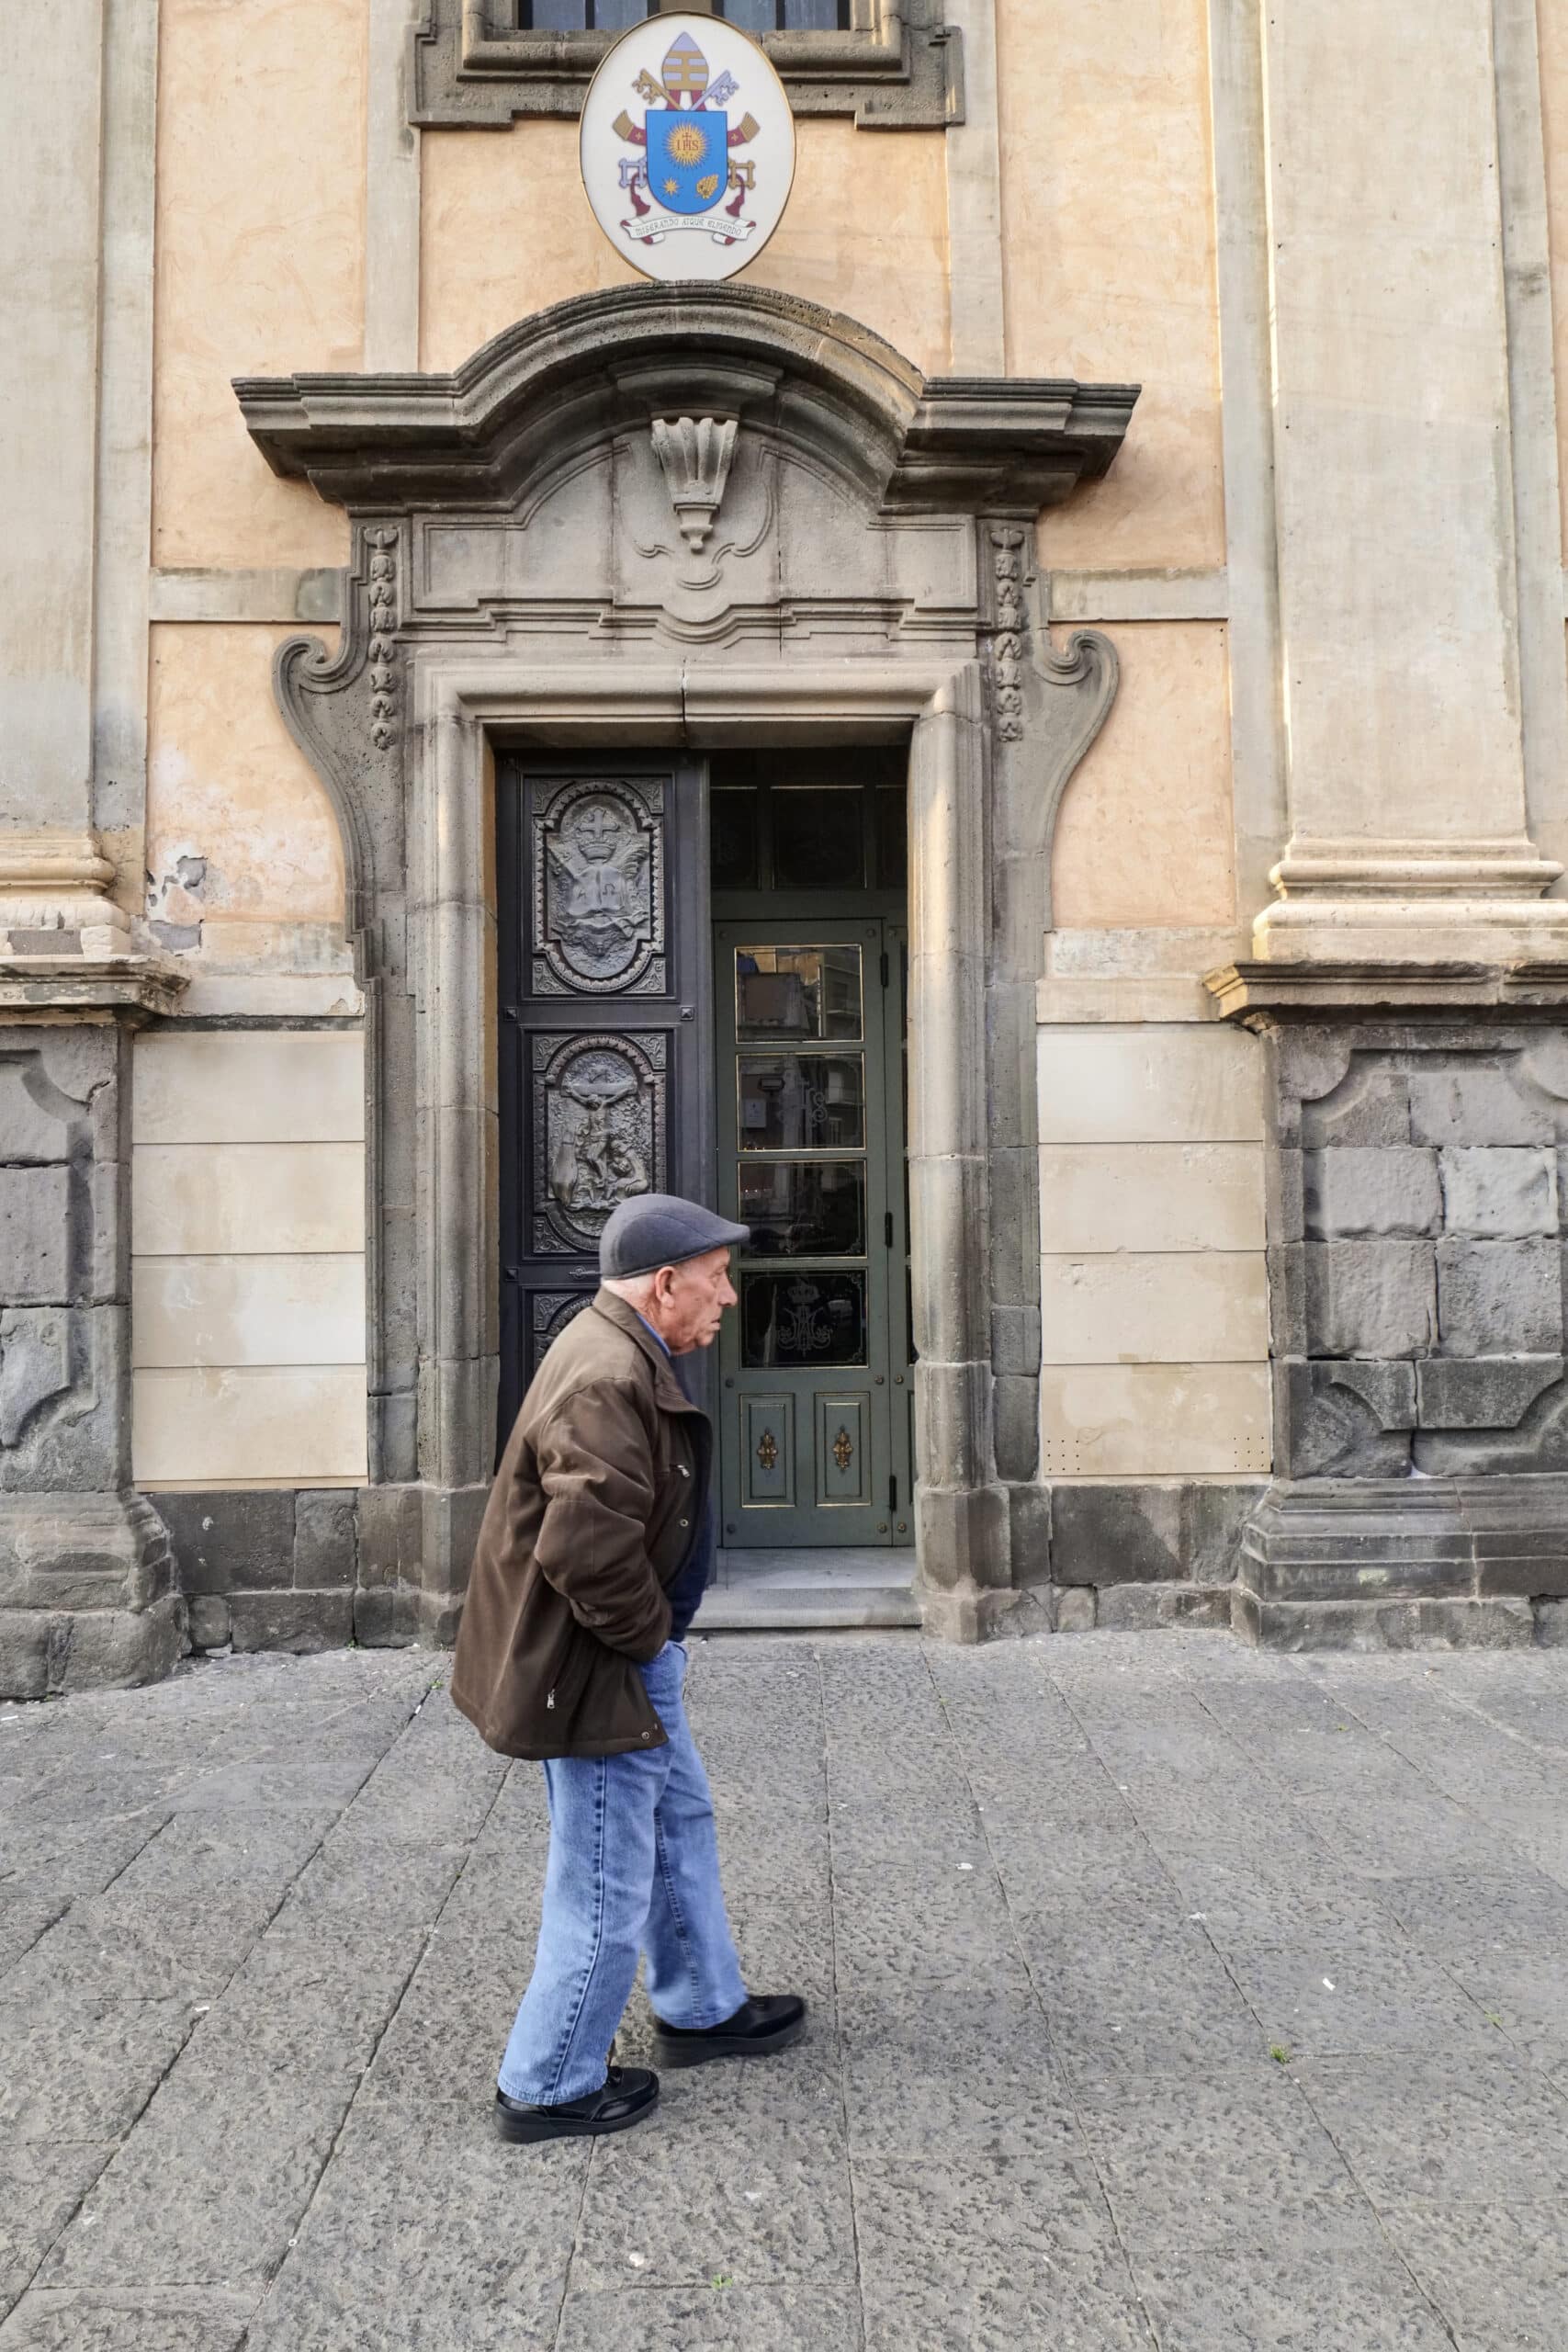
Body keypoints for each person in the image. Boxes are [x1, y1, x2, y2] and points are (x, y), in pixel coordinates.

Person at [451, 1192, 807, 2144]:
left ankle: (702, 2004)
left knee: (677, 1821)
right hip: (598, 1666)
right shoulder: (608, 1374)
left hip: (619, 1658)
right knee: (604, 1875)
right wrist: (651, 1642)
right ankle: (548, 2081)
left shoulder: (617, 1348)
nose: (727, 1298)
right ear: (665, 1283)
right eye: (716, 1280)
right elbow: (586, 1552)